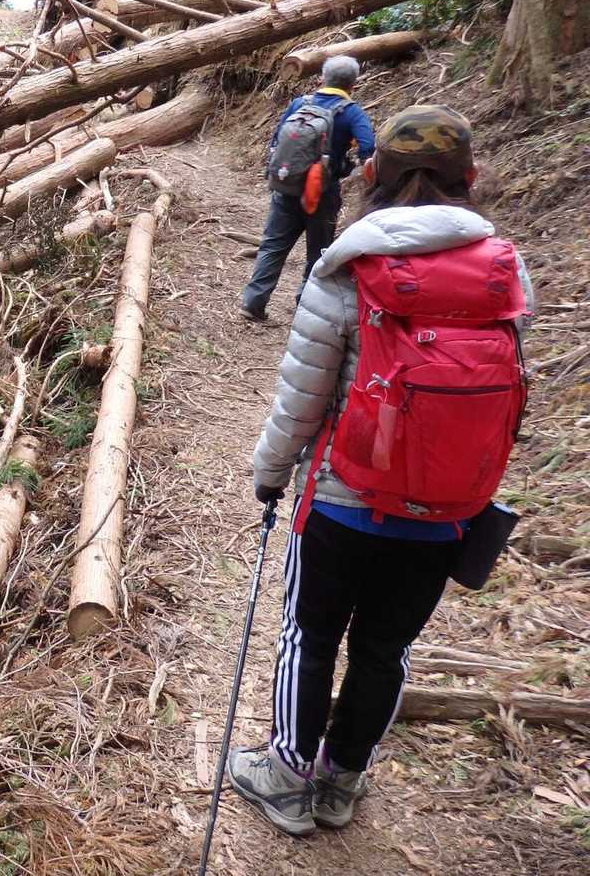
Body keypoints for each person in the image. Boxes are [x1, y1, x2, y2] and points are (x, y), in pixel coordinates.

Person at [228, 106, 534, 836]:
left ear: (371, 173)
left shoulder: (348, 266)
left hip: (343, 499)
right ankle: (341, 781)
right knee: (386, 648)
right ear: (472, 176)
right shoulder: (504, 270)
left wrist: (270, 474)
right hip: (445, 511)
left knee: (308, 636)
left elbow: (302, 398)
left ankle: (287, 776)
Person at [240, 55, 376, 321]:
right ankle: (304, 308)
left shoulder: (300, 104)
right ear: (353, 84)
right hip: (322, 193)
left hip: (286, 186)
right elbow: (368, 149)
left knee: (273, 245)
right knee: (318, 252)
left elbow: (277, 138)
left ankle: (253, 302)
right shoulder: (352, 112)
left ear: (322, 78)